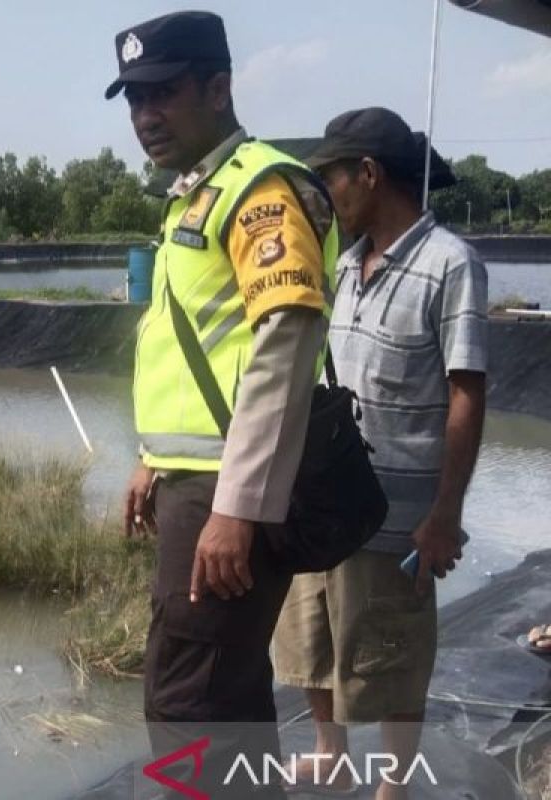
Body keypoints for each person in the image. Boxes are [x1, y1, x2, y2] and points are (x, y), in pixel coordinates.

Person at [108, 11, 338, 798]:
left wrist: (237, 509)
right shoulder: (195, 197)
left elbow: (285, 341)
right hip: (195, 481)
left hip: (227, 491)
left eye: (163, 93)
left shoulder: (262, 190)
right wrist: (150, 458)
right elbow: (197, 348)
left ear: (218, 87)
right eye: (134, 99)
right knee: (226, 697)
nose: (145, 116)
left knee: (187, 704)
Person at [272, 107, 488, 800]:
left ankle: (394, 784)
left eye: (332, 175)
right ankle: (330, 753)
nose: (326, 191)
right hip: (329, 500)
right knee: (310, 642)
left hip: (398, 518)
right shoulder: (344, 264)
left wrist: (444, 517)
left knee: (393, 657)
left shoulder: (450, 264)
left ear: (368, 173)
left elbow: (466, 394)